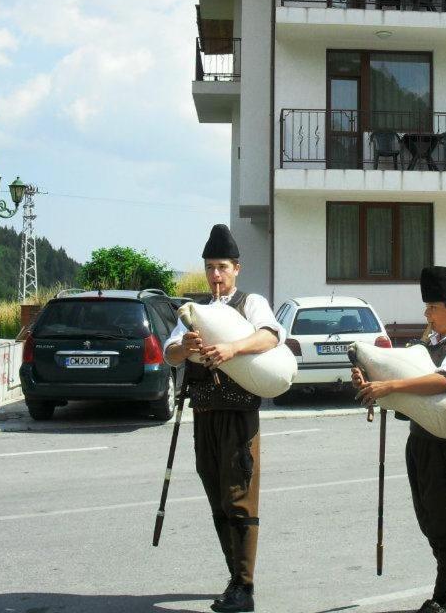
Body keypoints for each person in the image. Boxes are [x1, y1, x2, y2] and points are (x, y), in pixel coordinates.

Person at [163, 224, 285, 613]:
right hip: (205, 416)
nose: (215, 275)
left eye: (222, 267)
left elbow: (270, 336)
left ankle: (245, 588)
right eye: (210, 267)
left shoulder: (250, 303)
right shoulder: (194, 311)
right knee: (217, 497)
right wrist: (184, 346)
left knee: (240, 499)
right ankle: (235, 576)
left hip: (238, 415)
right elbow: (169, 354)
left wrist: (233, 348)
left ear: (237, 268)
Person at [353, 266, 446, 613]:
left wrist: (391, 386)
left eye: (433, 308)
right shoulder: (427, 344)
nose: (427, 314)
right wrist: (370, 378)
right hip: (420, 439)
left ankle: (442, 596)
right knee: (429, 517)